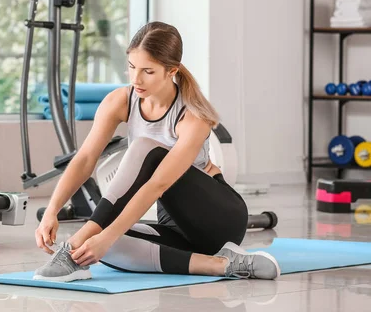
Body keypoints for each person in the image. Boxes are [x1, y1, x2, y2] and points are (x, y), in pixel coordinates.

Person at [33, 21, 280, 282]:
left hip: (219, 221)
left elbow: (158, 184)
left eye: (148, 71)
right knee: (98, 245)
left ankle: (71, 246)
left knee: (144, 148)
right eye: (131, 67)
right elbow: (84, 159)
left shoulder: (192, 115)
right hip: (173, 226)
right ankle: (222, 265)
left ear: (171, 70)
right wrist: (52, 210)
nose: (136, 79)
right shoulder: (119, 100)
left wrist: (103, 234)